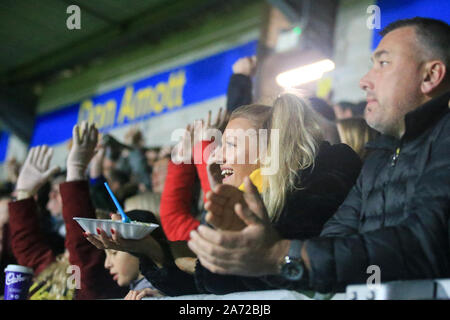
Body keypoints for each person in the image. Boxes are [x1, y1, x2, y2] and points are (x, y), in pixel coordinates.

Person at [187, 17, 450, 294]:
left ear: (430, 75)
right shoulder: (379, 158)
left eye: (383, 63)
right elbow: (332, 244)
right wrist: (266, 254)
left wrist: (280, 255)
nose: (364, 80)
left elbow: (423, 243)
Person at [9, 122, 126, 299]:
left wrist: (76, 172)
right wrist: (23, 193)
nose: (72, 239)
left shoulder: (83, 281)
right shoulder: (53, 271)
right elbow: (29, 250)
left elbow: (82, 249)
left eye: (92, 239)